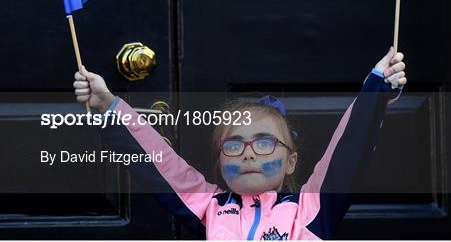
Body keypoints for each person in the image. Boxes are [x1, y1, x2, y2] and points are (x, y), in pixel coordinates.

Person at [73, 47, 406, 240]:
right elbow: (159, 164)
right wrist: (109, 104)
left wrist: (376, 90)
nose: (248, 153)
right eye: (234, 145)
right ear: (220, 163)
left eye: (264, 143)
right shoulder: (211, 207)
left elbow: (347, 153)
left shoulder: (310, 210)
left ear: (291, 161)